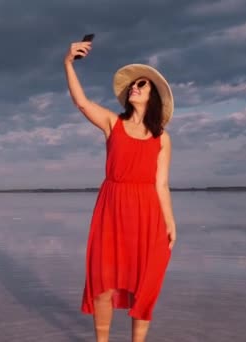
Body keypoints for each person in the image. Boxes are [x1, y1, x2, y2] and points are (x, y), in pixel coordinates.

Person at [64, 39, 177, 342]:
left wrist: (170, 222)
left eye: (142, 84)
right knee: (104, 283)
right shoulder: (113, 123)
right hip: (111, 210)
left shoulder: (162, 138)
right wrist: (68, 64)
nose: (135, 88)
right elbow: (82, 102)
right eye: (133, 85)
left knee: (146, 284)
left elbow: (161, 183)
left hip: (148, 214)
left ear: (153, 95)